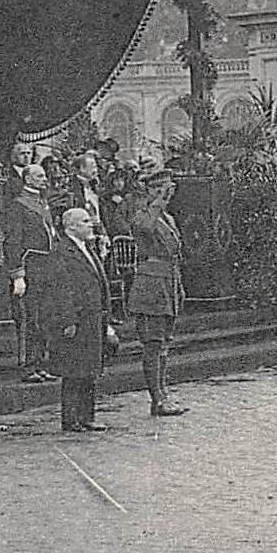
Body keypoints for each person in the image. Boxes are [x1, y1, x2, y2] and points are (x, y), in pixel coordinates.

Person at [44, 207, 115, 432]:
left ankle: (87, 416)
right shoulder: (61, 251)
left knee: (90, 370)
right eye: (85, 221)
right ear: (72, 226)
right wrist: (68, 320)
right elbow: (61, 288)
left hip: (94, 318)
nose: (91, 223)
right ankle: (71, 418)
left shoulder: (87, 248)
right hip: (78, 320)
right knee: (74, 371)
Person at [127, 167, 189, 416]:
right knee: (153, 345)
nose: (167, 195)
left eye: (169, 190)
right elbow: (145, 229)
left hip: (168, 283)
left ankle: (163, 394)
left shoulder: (168, 218)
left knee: (164, 345)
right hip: (150, 286)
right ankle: (156, 398)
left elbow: (175, 254)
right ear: (150, 191)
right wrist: (156, 203)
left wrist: (180, 287)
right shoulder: (142, 214)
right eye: (162, 190)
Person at [4, 163, 57, 383]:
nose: (44, 179)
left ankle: (41, 363)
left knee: (45, 316)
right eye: (38, 176)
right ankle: (28, 365)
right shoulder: (19, 205)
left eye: (44, 176)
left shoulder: (42, 203)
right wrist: (18, 274)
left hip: (47, 265)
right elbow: (13, 241)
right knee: (29, 317)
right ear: (27, 179)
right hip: (30, 264)